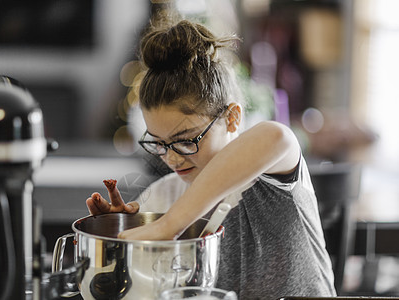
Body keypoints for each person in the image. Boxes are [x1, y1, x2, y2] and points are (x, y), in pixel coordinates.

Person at [86, 19, 336, 299]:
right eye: (159, 143)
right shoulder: (165, 193)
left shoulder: (271, 177)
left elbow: (275, 137)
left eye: (185, 140)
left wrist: (168, 226)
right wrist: (119, 241)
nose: (171, 157)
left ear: (232, 118)